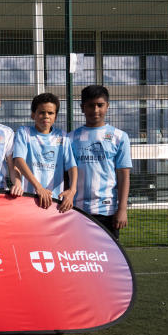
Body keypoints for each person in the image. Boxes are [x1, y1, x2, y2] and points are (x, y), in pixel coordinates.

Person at [70, 84, 132, 238]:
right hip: (78, 209)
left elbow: (123, 175)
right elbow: (66, 174)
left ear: (107, 106)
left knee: (108, 258)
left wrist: (122, 209)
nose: (96, 110)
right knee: (80, 255)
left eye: (100, 105)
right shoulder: (70, 138)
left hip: (108, 210)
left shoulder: (119, 137)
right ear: (82, 108)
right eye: (91, 106)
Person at [12, 93, 77, 212]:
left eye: (50, 113)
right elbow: (18, 160)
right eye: (42, 112)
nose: (46, 116)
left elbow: (72, 166)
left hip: (54, 202)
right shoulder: (24, 132)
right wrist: (39, 188)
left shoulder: (63, 137)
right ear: (33, 115)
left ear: (55, 116)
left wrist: (72, 191)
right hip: (28, 199)